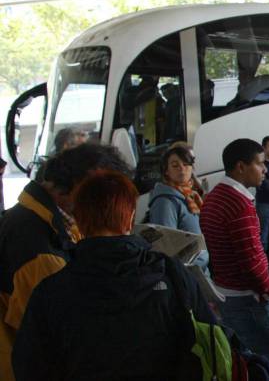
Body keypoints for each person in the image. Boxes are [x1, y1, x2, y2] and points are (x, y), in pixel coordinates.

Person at [12, 170, 216, 381]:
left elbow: (29, 366)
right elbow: (212, 342)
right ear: (129, 220)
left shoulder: (50, 291)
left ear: (79, 222)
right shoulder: (171, 275)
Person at [0, 143, 131, 380]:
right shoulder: (39, 248)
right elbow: (55, 332)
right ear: (74, 187)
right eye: (99, 193)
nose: (104, 203)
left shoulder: (46, 221)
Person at [199, 138, 269, 380]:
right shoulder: (238, 203)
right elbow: (252, 260)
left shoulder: (213, 197)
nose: (264, 169)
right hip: (250, 299)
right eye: (260, 164)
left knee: (249, 365)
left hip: (227, 294)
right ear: (241, 167)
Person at [147, 144, 209, 273]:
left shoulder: (191, 195)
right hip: (187, 276)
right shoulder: (165, 202)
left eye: (186, 164)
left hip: (199, 272)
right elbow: (166, 247)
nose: (182, 169)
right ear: (166, 171)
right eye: (175, 165)